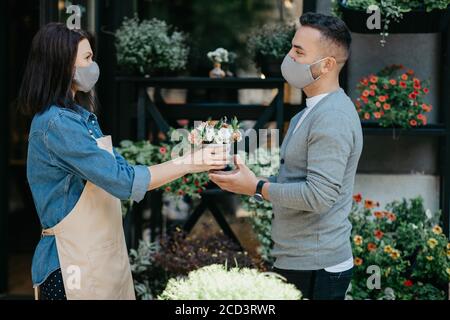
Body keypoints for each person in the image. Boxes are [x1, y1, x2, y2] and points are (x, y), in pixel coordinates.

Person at [18, 23, 228, 300]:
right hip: (70, 267)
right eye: (87, 58)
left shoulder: (79, 118)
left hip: (98, 257)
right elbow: (124, 181)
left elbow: (120, 172)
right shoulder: (57, 124)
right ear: (64, 66)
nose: (93, 66)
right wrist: (190, 162)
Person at [209, 12, 363, 300]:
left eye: (298, 51)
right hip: (299, 259)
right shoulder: (311, 110)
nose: (289, 57)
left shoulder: (332, 117)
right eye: (292, 47)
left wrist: (256, 188)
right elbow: (296, 180)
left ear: (327, 64)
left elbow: (318, 196)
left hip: (317, 267)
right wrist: (251, 183)